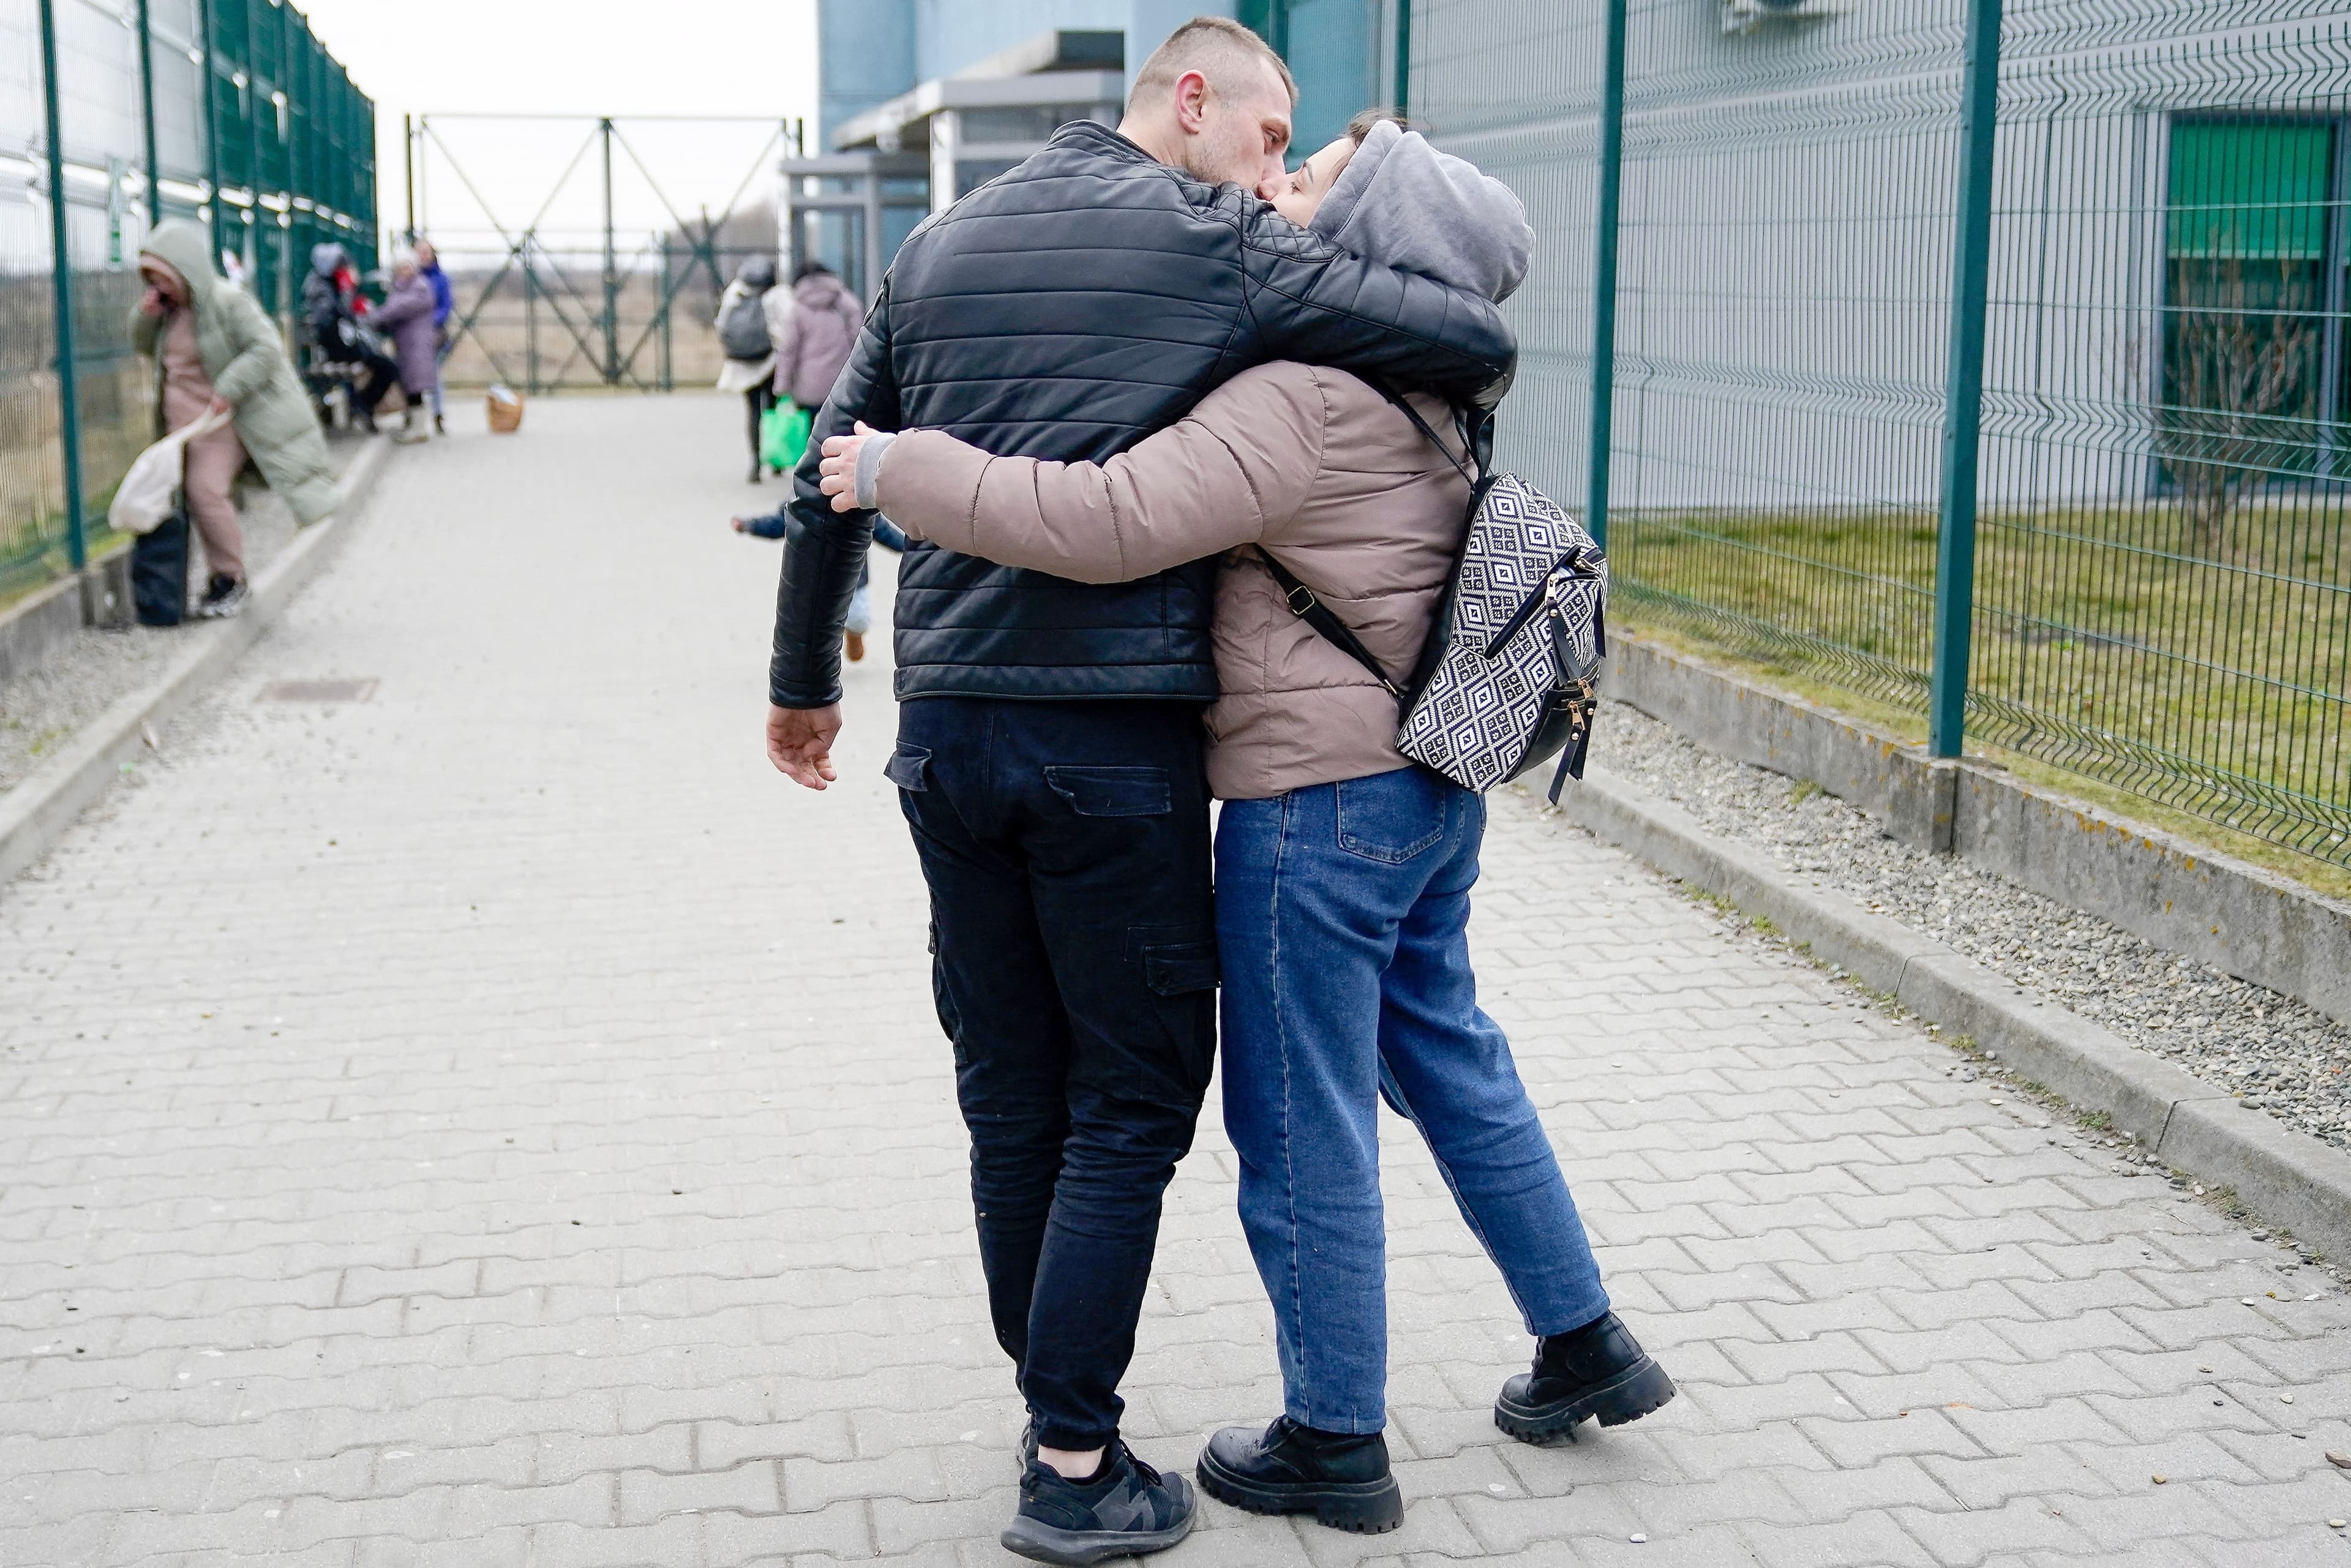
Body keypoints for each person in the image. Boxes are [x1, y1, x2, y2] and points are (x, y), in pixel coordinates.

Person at [817, 112, 1674, 1537]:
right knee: (1449, 1056)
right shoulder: (1425, 391)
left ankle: (1331, 1434)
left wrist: (900, 468)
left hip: (1312, 812)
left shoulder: (1302, 397)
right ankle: (1582, 1335)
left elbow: (1104, 517)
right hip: (1419, 785)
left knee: (1297, 1119)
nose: (1278, 187)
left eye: (1317, 179)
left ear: (1370, 241)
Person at [132, 219, 338, 618]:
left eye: (164, 278)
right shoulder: (168, 313)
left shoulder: (228, 303)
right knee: (188, 499)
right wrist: (146, 316)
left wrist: (228, 388)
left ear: (185, 270)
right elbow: (144, 349)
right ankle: (199, 583)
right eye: (151, 278)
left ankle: (231, 579)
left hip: (217, 422)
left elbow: (265, 349)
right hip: (180, 429)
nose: (159, 287)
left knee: (205, 491)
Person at [301, 242, 396, 430]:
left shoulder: (327, 282)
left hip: (344, 344)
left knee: (386, 366)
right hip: (335, 347)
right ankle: (363, 405)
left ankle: (362, 405)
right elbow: (335, 316)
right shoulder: (320, 286)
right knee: (388, 368)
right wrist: (347, 289)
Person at [714, 255, 786, 483]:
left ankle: (755, 464)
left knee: (753, 412)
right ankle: (775, 460)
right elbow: (785, 327)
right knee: (773, 412)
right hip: (770, 361)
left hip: (745, 365)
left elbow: (722, 326)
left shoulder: (734, 292)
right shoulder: (776, 294)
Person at [373, 249, 438, 445]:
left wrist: (374, 317)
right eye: (400, 267)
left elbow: (397, 309)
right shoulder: (402, 288)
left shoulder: (419, 288)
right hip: (406, 344)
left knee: (416, 386)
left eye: (407, 266)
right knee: (410, 385)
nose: (404, 271)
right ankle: (414, 426)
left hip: (417, 345)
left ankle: (419, 429)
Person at [415, 238, 454, 435]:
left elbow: (446, 306)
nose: (423, 256)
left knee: (434, 375)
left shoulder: (441, 279)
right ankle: (414, 417)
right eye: (420, 252)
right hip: (413, 334)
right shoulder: (410, 277)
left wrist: (431, 321)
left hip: (434, 333)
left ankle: (438, 415)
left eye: (426, 252)